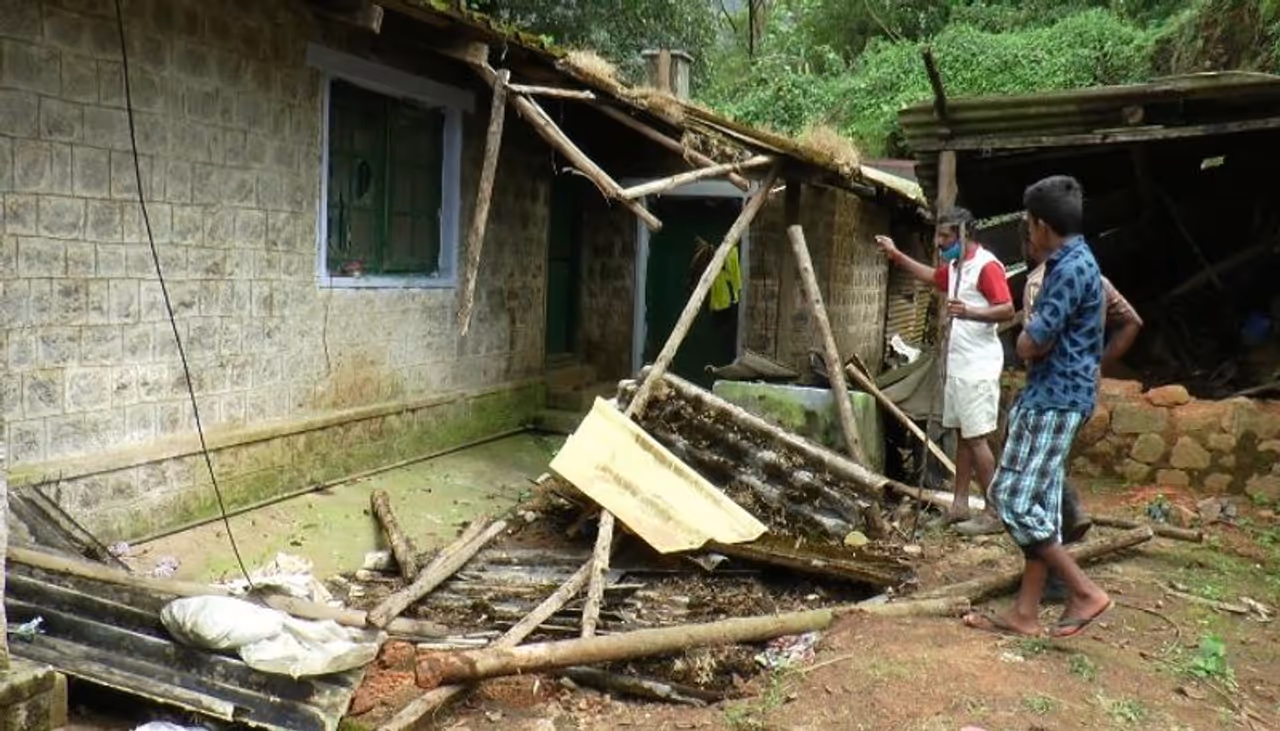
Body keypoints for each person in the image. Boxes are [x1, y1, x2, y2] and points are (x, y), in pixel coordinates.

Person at [964, 175, 1112, 638]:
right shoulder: (1078, 262)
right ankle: (1025, 613)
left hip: (1055, 397)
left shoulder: (1067, 270)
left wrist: (1026, 336)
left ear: (1042, 225)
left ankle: (1083, 591)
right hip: (1056, 393)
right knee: (1042, 504)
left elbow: (1032, 343)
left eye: (1028, 224)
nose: (1027, 233)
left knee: (1010, 497)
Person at [1022, 221, 1144, 595]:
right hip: (1078, 392)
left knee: (1031, 486)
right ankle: (1049, 575)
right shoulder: (1093, 278)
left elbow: (1034, 344)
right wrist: (1095, 365)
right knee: (1045, 474)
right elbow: (1132, 321)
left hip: (1052, 392)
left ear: (1036, 237)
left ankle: (1062, 578)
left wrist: (1033, 348)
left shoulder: (1042, 282)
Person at [876, 209, 1014, 528]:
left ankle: (994, 512)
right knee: (962, 436)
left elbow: (1007, 308)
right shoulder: (955, 268)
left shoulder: (986, 266)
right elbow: (931, 277)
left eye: (946, 236)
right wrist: (896, 255)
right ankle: (960, 505)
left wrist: (969, 311)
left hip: (978, 367)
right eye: (938, 235)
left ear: (965, 235)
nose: (939, 242)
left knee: (976, 438)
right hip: (958, 365)